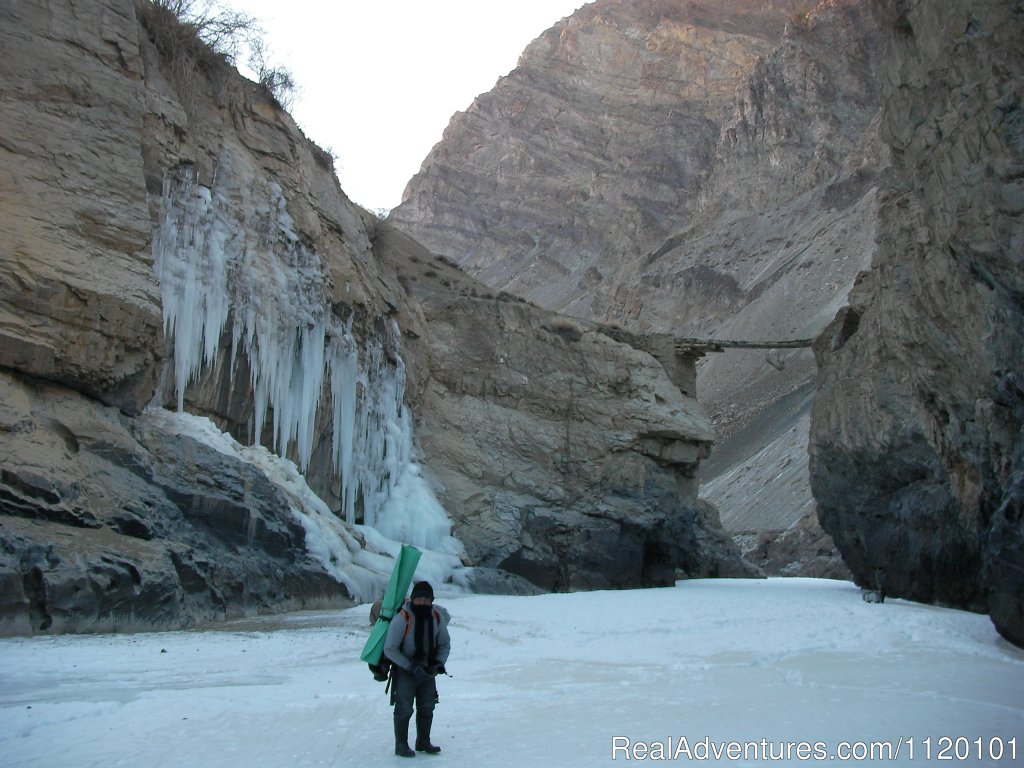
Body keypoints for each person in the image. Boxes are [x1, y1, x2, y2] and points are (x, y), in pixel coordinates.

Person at [383, 580, 451, 757]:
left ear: (431, 600)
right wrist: (410, 665)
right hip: (405, 672)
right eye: (419, 599)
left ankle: (423, 741)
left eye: (426, 599)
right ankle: (401, 745)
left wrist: (438, 663)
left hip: (428, 671)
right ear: (413, 599)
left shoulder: (436, 617)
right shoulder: (402, 619)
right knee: (404, 709)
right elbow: (389, 648)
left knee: (427, 707)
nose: (422, 602)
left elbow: (444, 644)